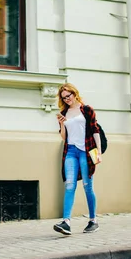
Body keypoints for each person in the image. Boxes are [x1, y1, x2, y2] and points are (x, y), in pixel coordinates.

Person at [53, 83, 102, 235]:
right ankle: (66, 222)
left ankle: (93, 221)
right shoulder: (64, 113)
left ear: (74, 94)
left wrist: (99, 152)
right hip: (71, 152)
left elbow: (95, 130)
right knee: (69, 185)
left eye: (69, 96)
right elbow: (64, 137)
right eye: (64, 97)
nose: (67, 99)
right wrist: (62, 124)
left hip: (86, 151)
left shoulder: (87, 110)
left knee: (87, 186)